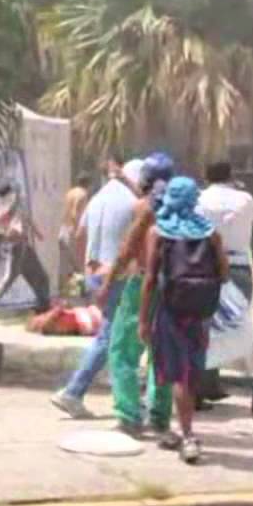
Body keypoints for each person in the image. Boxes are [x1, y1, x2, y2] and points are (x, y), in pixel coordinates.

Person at [141, 176, 229, 464]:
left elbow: (150, 279)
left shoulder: (158, 232)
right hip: (201, 314)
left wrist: (144, 319)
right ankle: (184, 430)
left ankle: (187, 435)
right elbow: (225, 274)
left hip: (170, 312)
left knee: (179, 375)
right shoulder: (211, 234)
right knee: (191, 373)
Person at [50, 155, 143, 419]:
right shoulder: (134, 202)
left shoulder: (99, 197)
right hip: (117, 275)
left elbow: (79, 236)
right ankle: (74, 391)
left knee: (113, 334)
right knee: (115, 336)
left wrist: (86, 270)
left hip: (94, 273)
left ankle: (108, 392)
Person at [96, 152, 177, 439]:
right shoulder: (183, 207)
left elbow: (129, 248)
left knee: (122, 351)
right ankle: (160, 415)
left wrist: (107, 283)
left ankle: (129, 414)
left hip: (142, 284)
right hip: (174, 289)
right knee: (162, 354)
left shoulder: (144, 208)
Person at [195, 160, 253, 408]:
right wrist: (238, 189)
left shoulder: (201, 200)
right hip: (237, 267)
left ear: (206, 177)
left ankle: (205, 383)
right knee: (234, 324)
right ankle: (210, 383)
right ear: (231, 175)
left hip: (205, 265)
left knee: (206, 326)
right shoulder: (244, 199)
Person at [0, 183, 52, 316]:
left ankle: (43, 304)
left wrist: (37, 232)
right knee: (7, 281)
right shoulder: (7, 207)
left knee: (41, 277)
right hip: (17, 248)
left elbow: (27, 219)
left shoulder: (17, 207)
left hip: (25, 248)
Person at [59, 174, 92, 294]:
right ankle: (76, 295)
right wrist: (78, 228)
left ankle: (69, 294)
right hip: (72, 230)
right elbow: (75, 211)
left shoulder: (70, 193)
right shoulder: (82, 194)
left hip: (63, 229)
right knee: (79, 264)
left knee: (67, 265)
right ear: (88, 184)